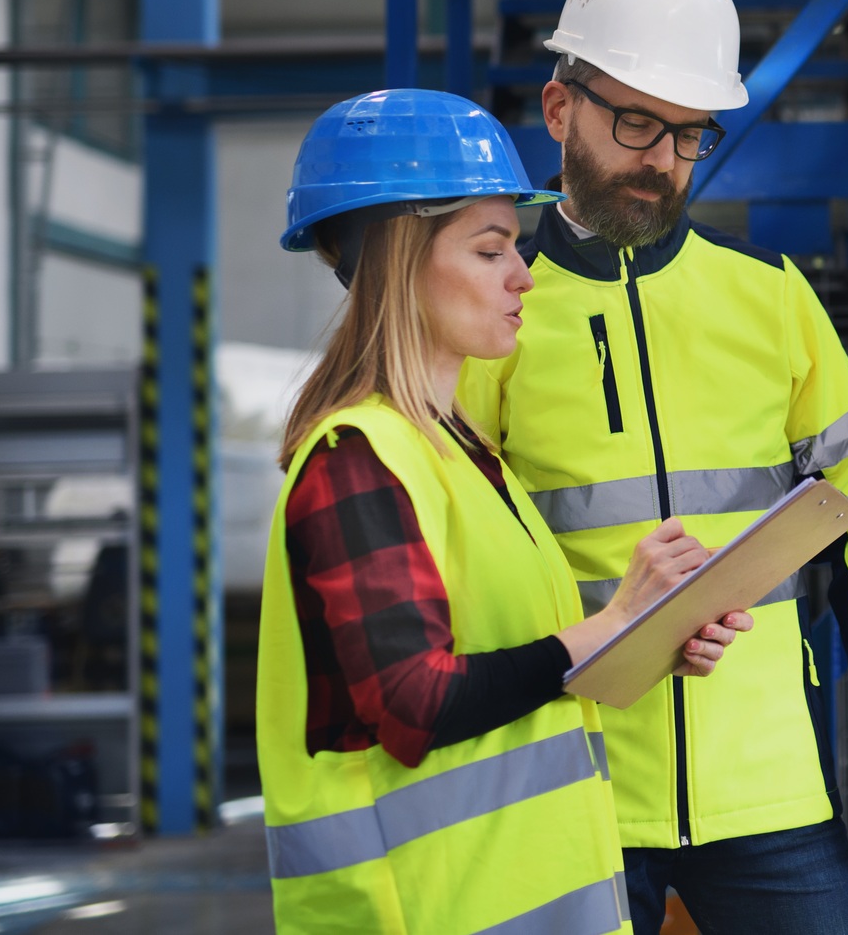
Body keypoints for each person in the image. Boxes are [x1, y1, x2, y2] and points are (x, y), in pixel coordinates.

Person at [458, 0, 848, 934]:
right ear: (556, 109)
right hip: (572, 786)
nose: (660, 158)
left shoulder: (774, 305)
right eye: (633, 122)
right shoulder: (494, 322)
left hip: (767, 793)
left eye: (687, 134)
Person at [257, 88, 752, 934]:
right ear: (400, 262)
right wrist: (605, 629)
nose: (524, 275)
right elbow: (417, 704)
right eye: (492, 251)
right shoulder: (358, 461)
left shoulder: (464, 452)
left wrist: (643, 636)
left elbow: (518, 671)